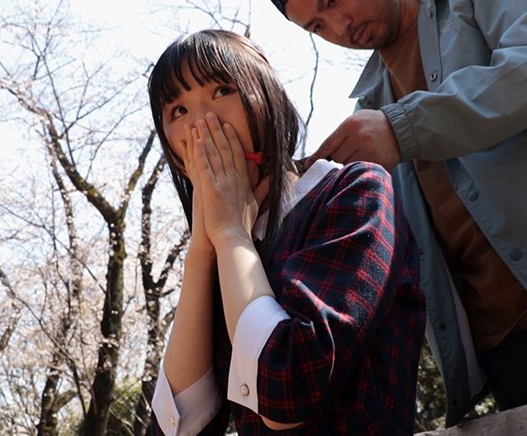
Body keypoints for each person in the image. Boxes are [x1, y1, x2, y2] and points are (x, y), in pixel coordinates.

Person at [268, 0, 527, 426]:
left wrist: (405, 128)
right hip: (507, 358)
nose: (340, 27)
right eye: (317, 26)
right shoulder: (370, 110)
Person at [147, 29, 425, 435]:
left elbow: (287, 389)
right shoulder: (221, 251)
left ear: (268, 98)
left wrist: (230, 233)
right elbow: (178, 429)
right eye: (178, 111)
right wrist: (202, 253)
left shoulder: (355, 192)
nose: (203, 124)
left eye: (222, 90)